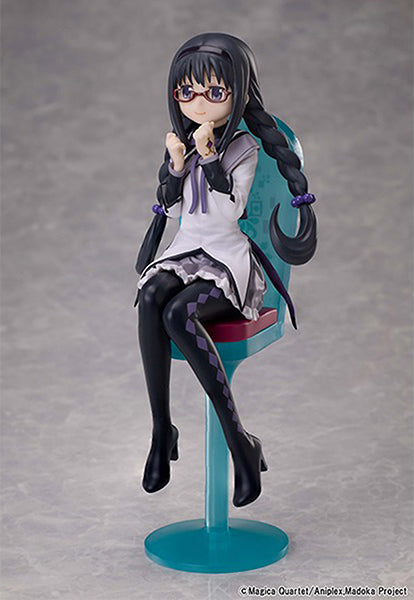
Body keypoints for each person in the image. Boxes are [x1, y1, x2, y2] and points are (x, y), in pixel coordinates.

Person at [135, 33, 317, 507]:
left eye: (214, 92)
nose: (198, 103)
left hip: (225, 259)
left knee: (178, 314)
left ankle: (240, 443)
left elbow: (232, 208)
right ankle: (161, 430)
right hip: (187, 250)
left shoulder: (241, 149)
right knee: (150, 295)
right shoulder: (185, 145)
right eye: (187, 92)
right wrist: (178, 164)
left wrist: (211, 156)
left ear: (238, 93)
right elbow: (176, 210)